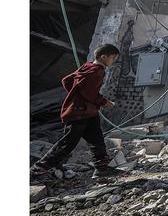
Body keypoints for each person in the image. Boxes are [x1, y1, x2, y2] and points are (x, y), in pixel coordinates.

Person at [31, 44, 122, 179]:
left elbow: (66, 80)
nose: (114, 60)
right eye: (113, 57)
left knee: (97, 139)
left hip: (87, 112)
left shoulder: (87, 67)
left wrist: (76, 95)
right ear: (103, 57)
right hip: (80, 113)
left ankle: (101, 168)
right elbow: (89, 92)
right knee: (67, 143)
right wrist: (103, 102)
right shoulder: (97, 71)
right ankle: (38, 169)